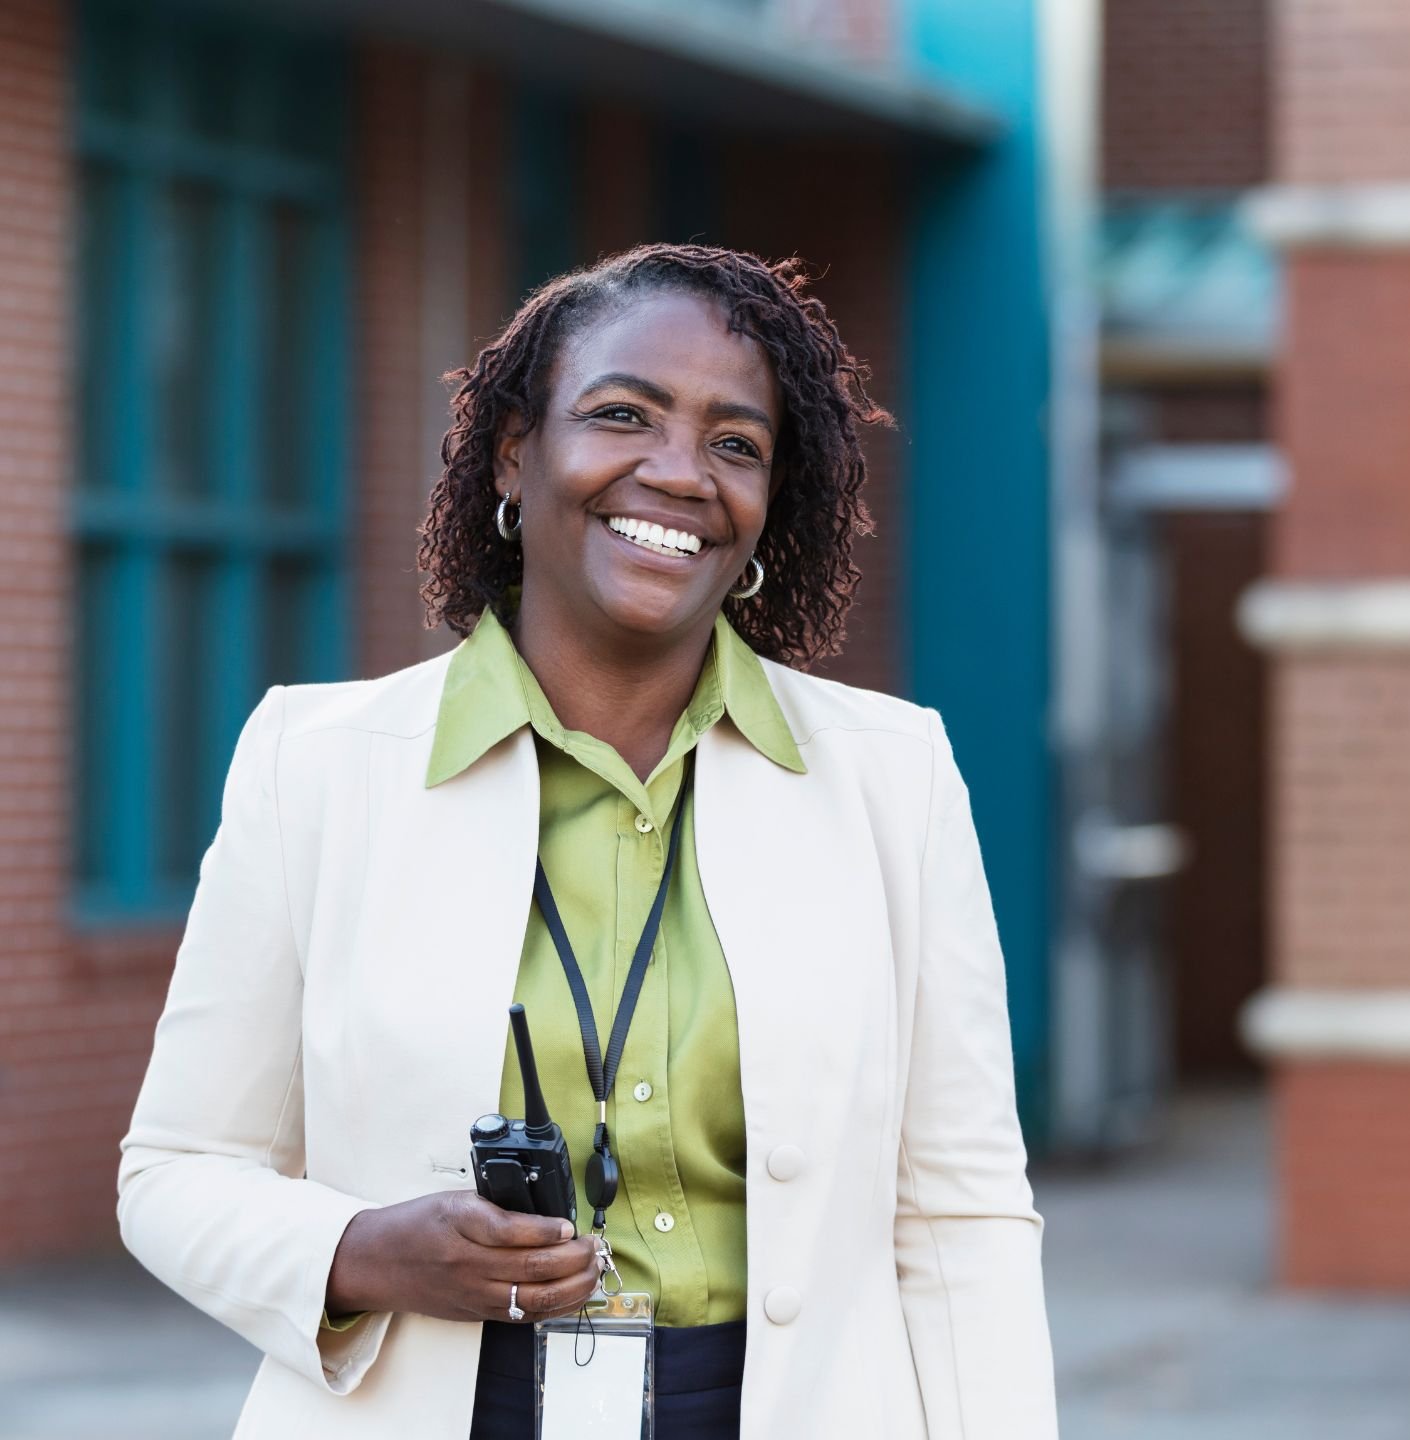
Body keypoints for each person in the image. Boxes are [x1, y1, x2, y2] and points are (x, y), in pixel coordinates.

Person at [118, 243, 1058, 1439]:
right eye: (624, 416)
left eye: (736, 444)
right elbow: (174, 1173)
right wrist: (360, 1251)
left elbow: (961, 1211)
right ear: (517, 452)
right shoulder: (316, 765)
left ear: (774, 501)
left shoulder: (892, 776)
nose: (679, 474)